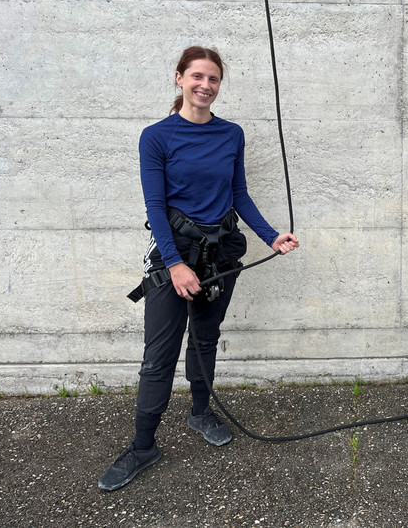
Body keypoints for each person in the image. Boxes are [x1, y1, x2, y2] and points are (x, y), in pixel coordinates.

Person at [99, 46, 299, 491]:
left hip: (220, 256)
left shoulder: (231, 134)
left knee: (206, 338)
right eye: (197, 77)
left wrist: (271, 236)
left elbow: (239, 194)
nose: (205, 85)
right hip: (174, 258)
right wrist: (173, 265)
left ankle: (200, 412)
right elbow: (154, 204)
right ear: (179, 79)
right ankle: (143, 445)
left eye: (213, 79)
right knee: (159, 357)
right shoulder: (156, 137)